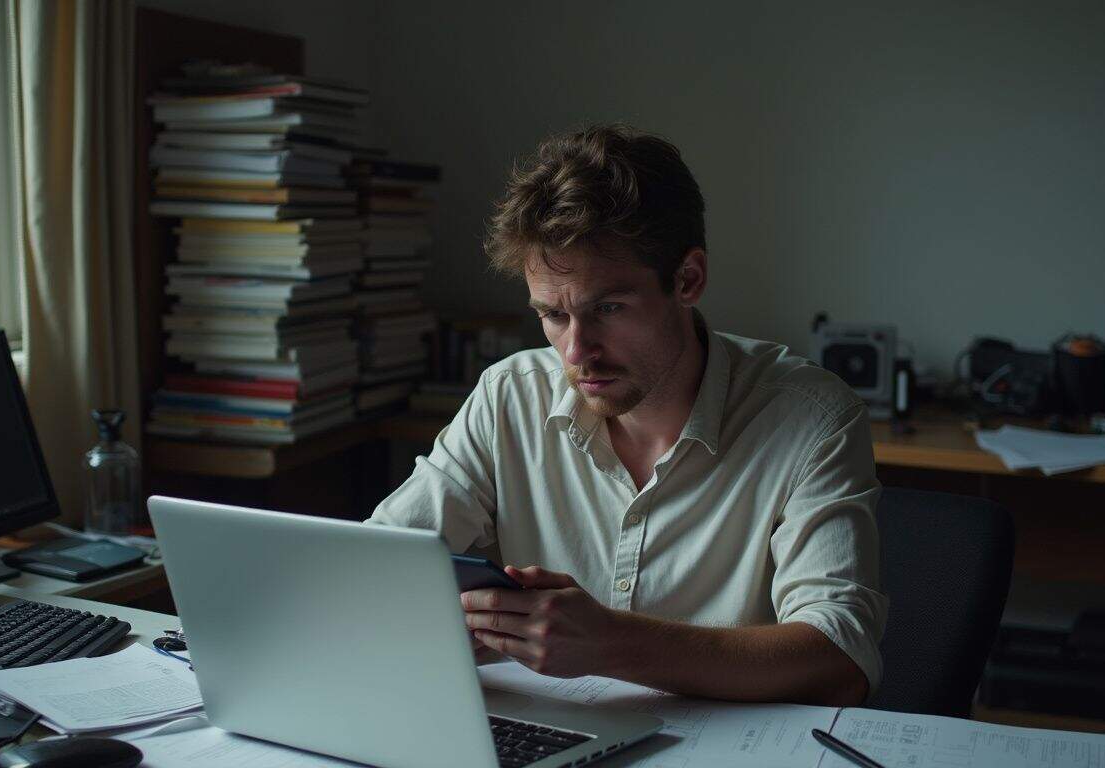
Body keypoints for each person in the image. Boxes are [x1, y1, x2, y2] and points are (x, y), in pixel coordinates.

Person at [368, 124, 886, 705]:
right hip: (553, 734)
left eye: (608, 308)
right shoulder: (508, 395)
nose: (576, 352)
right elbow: (376, 567)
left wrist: (609, 644)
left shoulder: (811, 416)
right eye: (553, 316)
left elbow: (841, 657)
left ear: (688, 279)